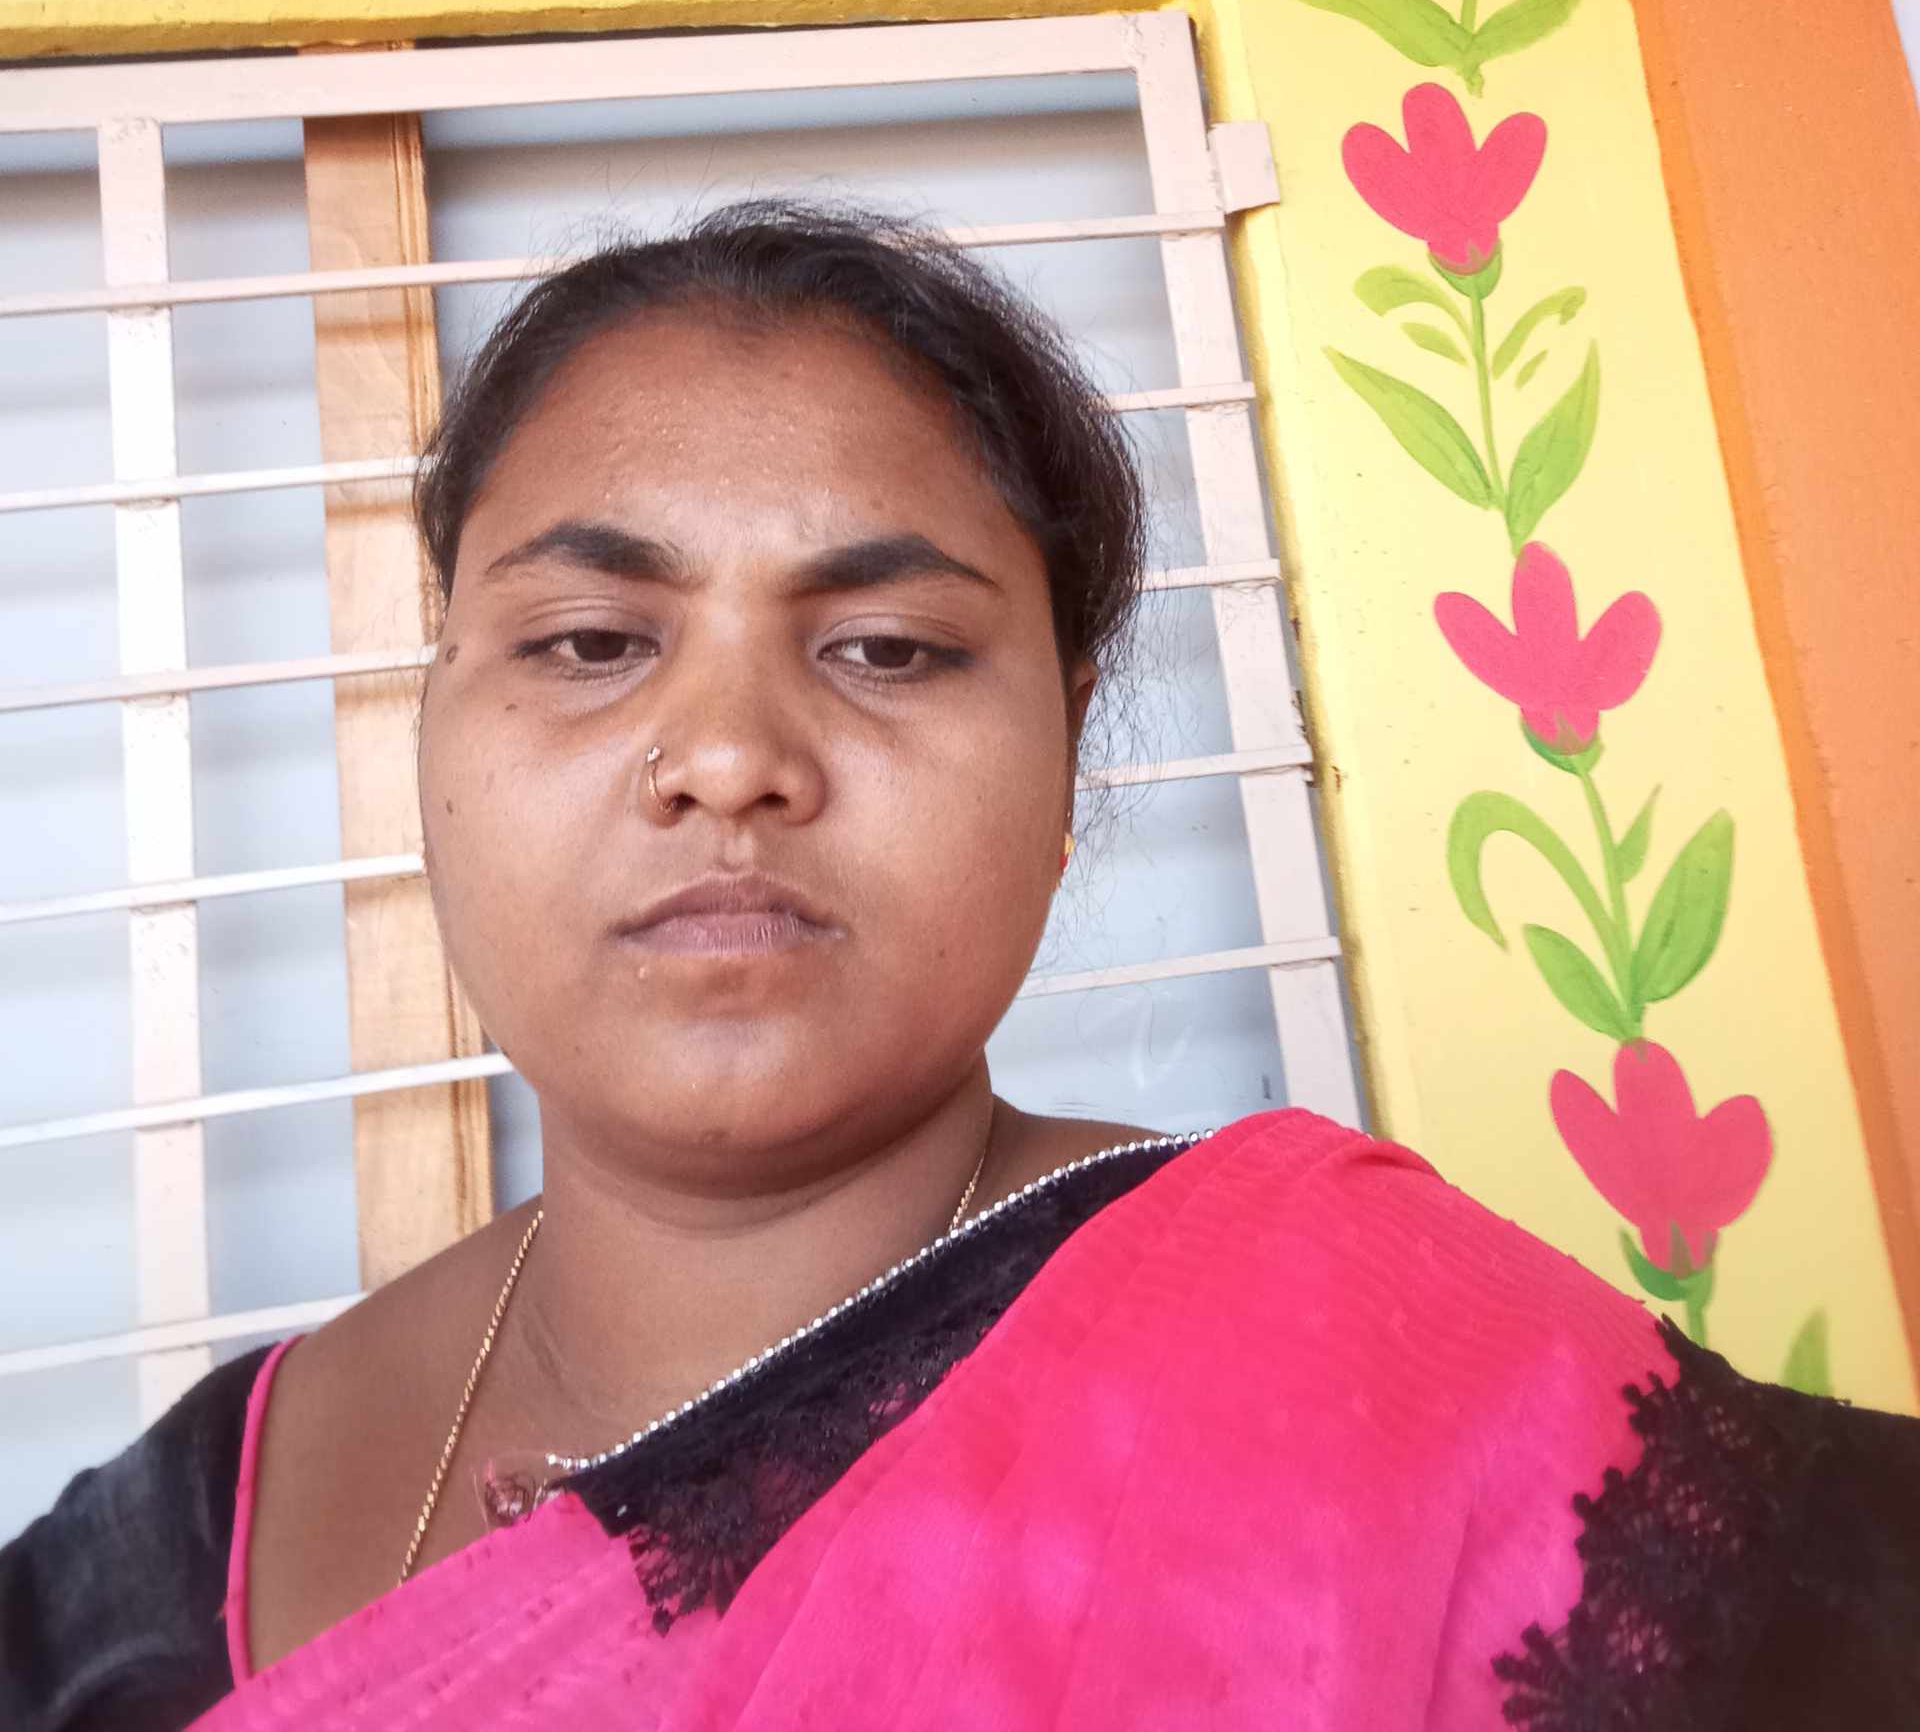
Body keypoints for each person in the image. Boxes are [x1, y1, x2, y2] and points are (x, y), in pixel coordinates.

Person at [4, 200, 1917, 1732]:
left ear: (1067, 761)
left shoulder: (1398, 1387)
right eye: (589, 642)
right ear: (428, 731)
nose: (727, 755)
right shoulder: (146, 1565)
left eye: (890, 650)